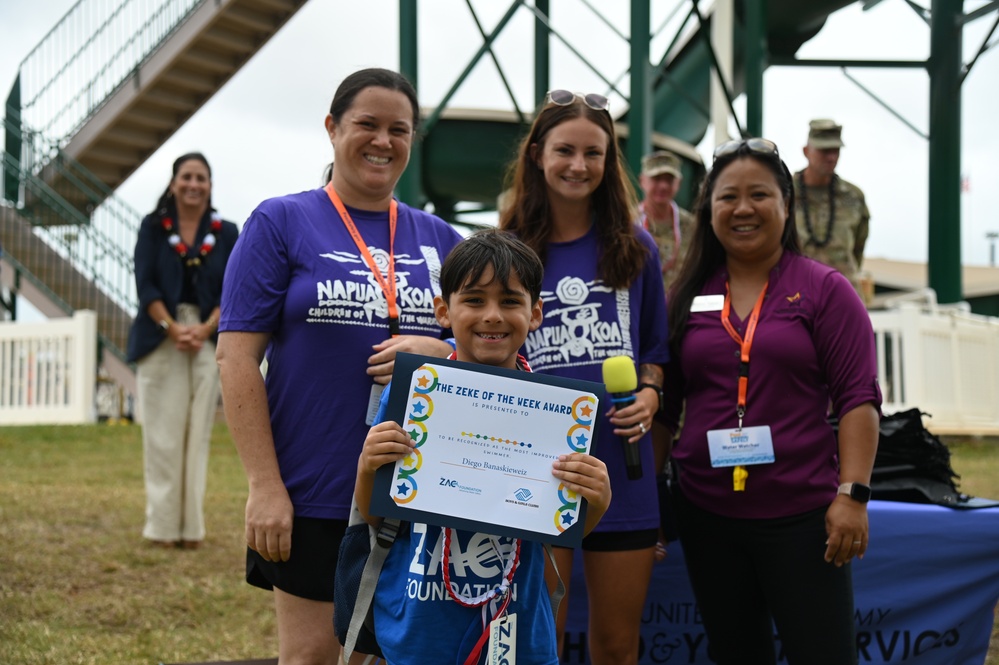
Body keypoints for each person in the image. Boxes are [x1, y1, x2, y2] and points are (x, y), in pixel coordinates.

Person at [215, 68, 463, 665]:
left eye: (398, 130)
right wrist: (265, 486)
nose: (383, 141)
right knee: (312, 658)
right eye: (367, 125)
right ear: (332, 128)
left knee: (398, 657)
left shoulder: (444, 240)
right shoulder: (280, 221)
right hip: (314, 491)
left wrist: (444, 352)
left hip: (418, 490)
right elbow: (236, 358)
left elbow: (494, 349)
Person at [661, 137, 882, 665]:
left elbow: (859, 398)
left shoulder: (825, 289)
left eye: (759, 195)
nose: (742, 209)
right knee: (736, 654)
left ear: (786, 205)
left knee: (822, 654)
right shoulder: (689, 296)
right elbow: (665, 408)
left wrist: (852, 495)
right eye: (727, 197)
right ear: (709, 209)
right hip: (707, 514)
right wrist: (650, 504)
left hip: (802, 518)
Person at [355, 228, 612, 665]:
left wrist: (597, 501)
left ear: (535, 314)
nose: (492, 315)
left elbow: (559, 529)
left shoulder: (557, 416)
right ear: (443, 311)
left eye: (510, 301)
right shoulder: (414, 398)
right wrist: (368, 466)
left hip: (518, 633)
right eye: (474, 300)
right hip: (420, 630)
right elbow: (375, 514)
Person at [499, 89, 670, 665]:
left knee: (616, 646)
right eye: (565, 150)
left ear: (608, 162)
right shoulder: (511, 248)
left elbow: (654, 351)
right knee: (539, 638)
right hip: (538, 468)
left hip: (624, 467)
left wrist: (649, 391)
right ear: (537, 155)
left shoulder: (637, 247)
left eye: (593, 153)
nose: (578, 165)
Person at [126, 152, 238, 550]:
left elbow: (234, 288)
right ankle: (161, 528)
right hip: (161, 337)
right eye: (187, 177)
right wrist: (172, 328)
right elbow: (146, 284)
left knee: (197, 435)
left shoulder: (226, 233)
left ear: (210, 185)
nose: (194, 184)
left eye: (201, 178)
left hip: (209, 337)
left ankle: (191, 529)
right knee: (162, 436)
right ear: (173, 183)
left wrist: (204, 328)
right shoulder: (153, 228)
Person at [794, 119, 871, 301]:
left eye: (835, 151)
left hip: (844, 294)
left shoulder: (853, 196)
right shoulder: (783, 193)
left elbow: (858, 247)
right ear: (806, 151)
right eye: (824, 151)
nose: (831, 157)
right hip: (797, 295)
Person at [638, 149, 696, 291]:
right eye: (656, 179)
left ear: (679, 183)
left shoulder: (692, 225)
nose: (663, 186)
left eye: (669, 180)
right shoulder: (627, 221)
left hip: (679, 305)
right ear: (642, 181)